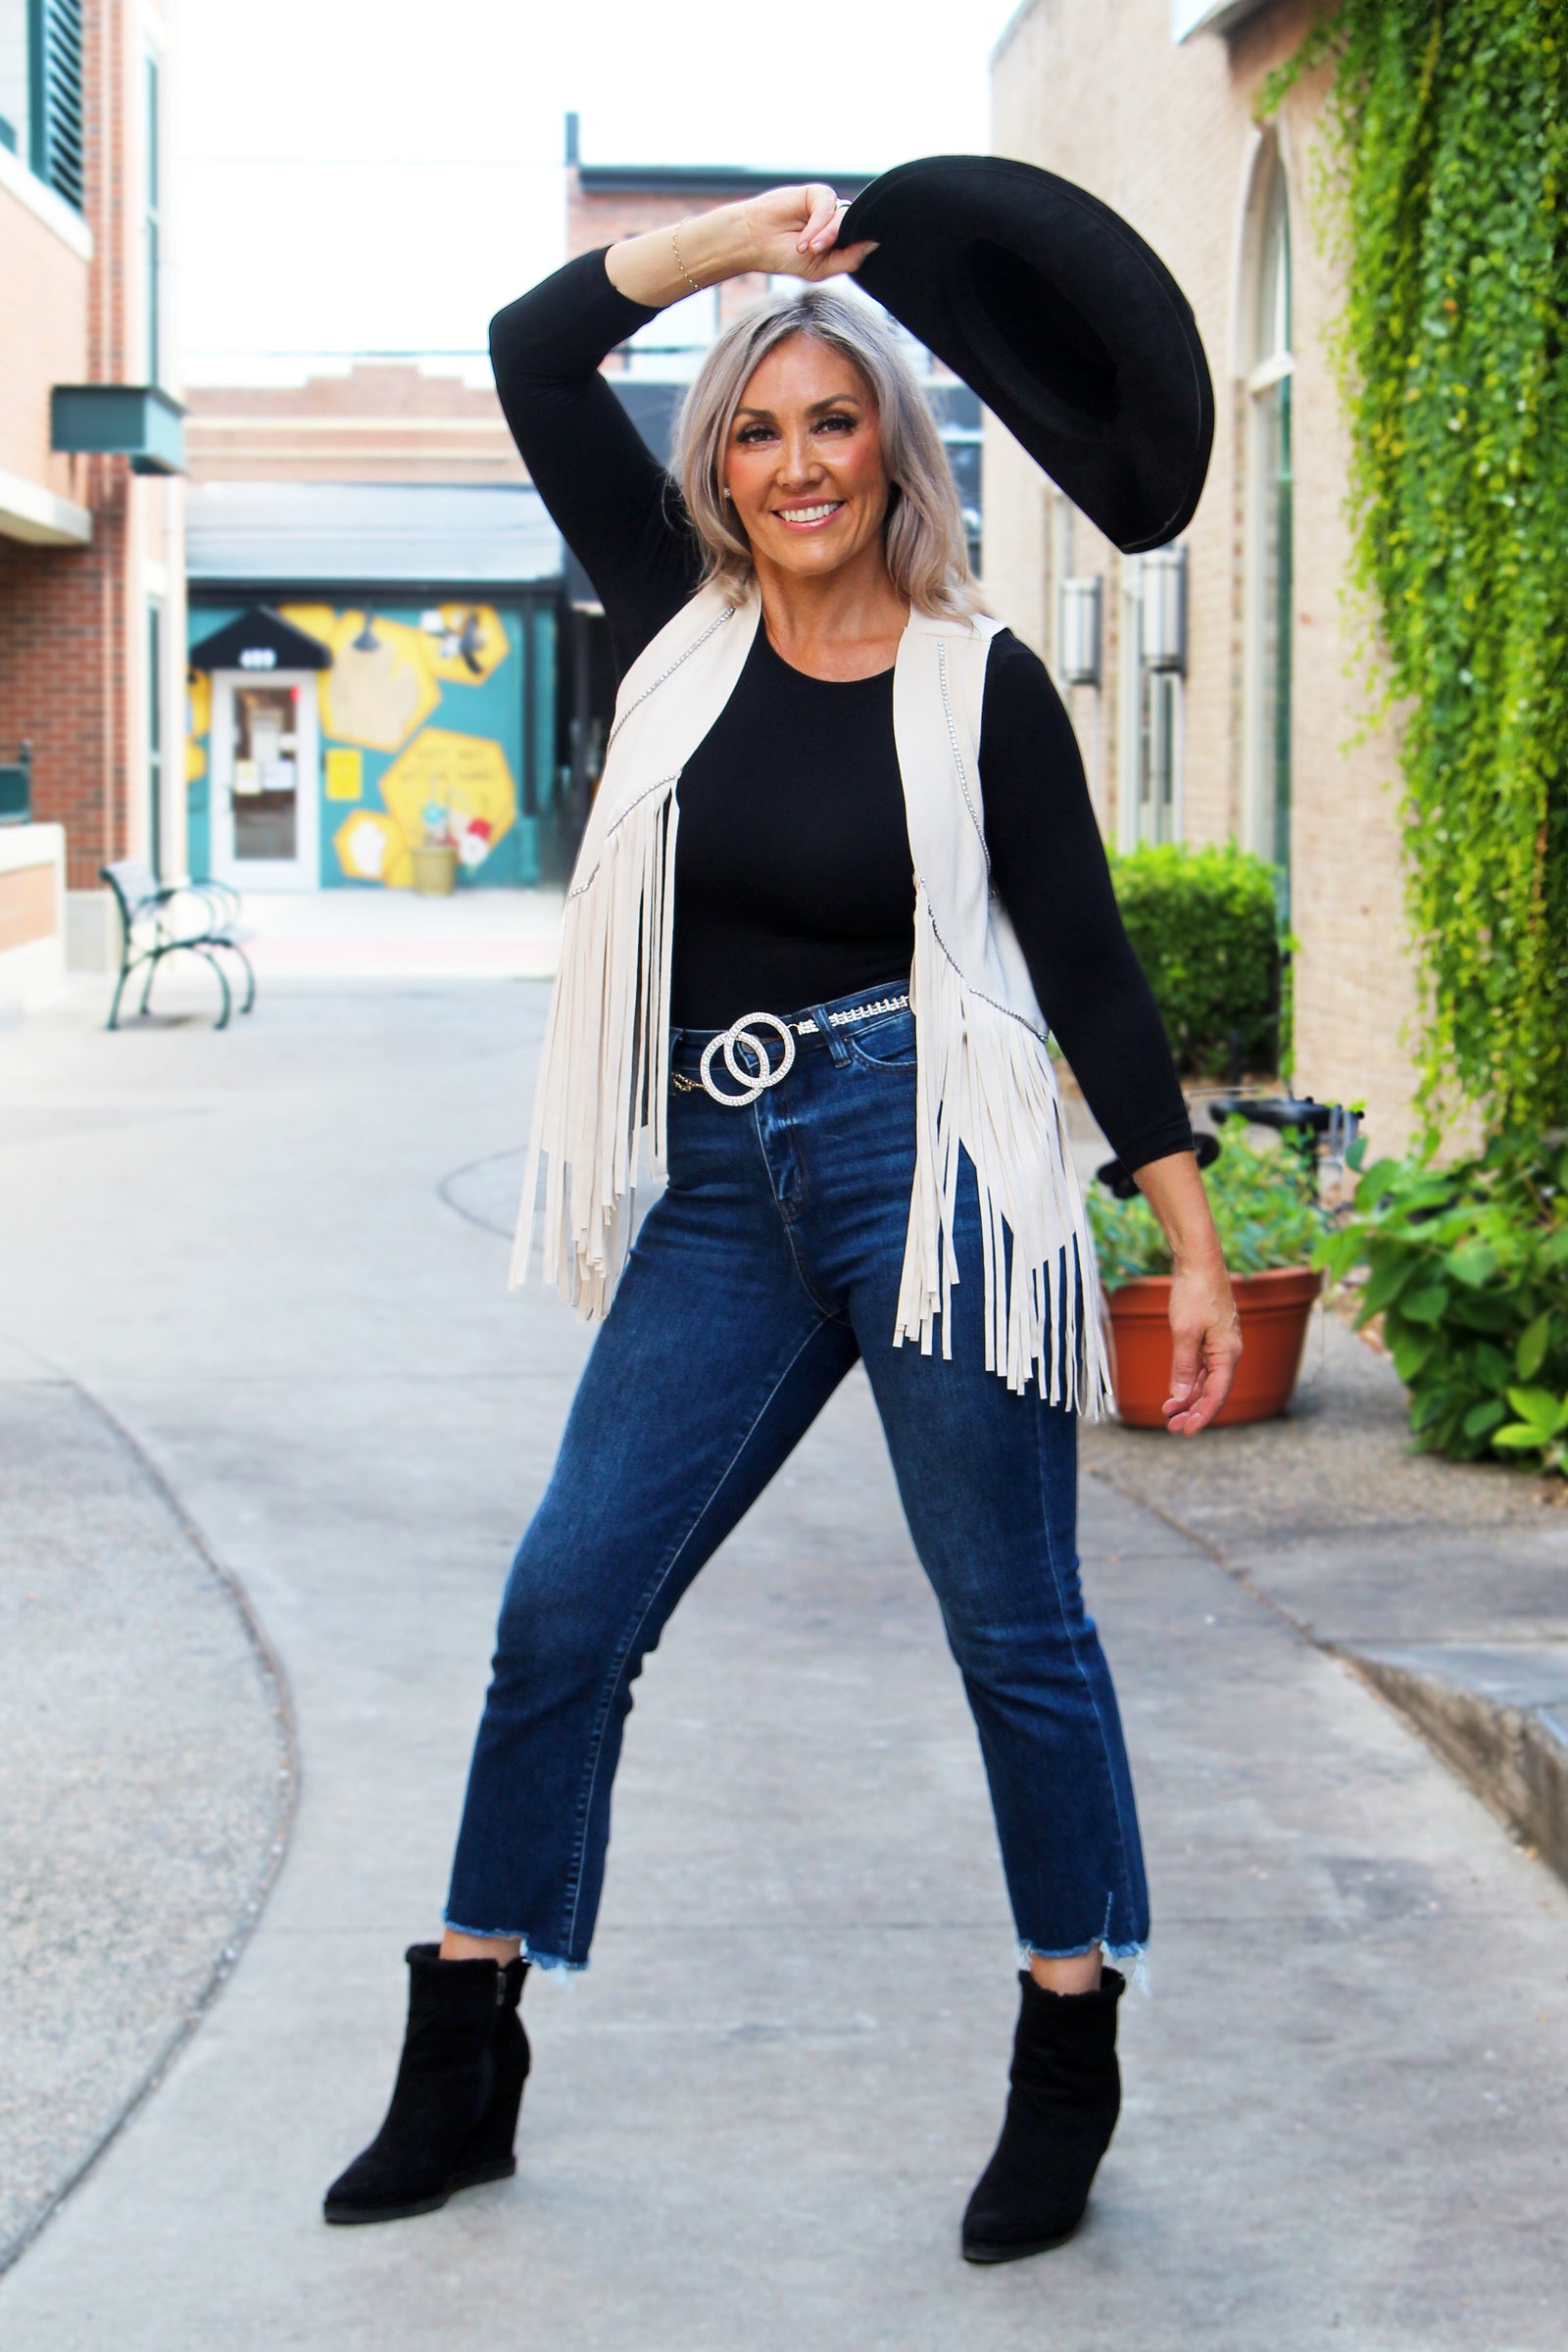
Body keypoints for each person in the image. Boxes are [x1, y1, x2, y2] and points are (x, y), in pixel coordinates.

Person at [324, 183, 1242, 2260]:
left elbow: (1085, 962)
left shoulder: (977, 680)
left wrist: (1181, 1236)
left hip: (938, 1161)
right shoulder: (670, 620)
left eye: (833, 425)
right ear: (713, 462)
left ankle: (1063, 2047)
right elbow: (533, 348)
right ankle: (464, 2048)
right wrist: (742, 245)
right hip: (718, 1183)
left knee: (1015, 1635)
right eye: (755, 429)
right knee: (565, 1605)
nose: (795, 465)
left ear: (892, 453)